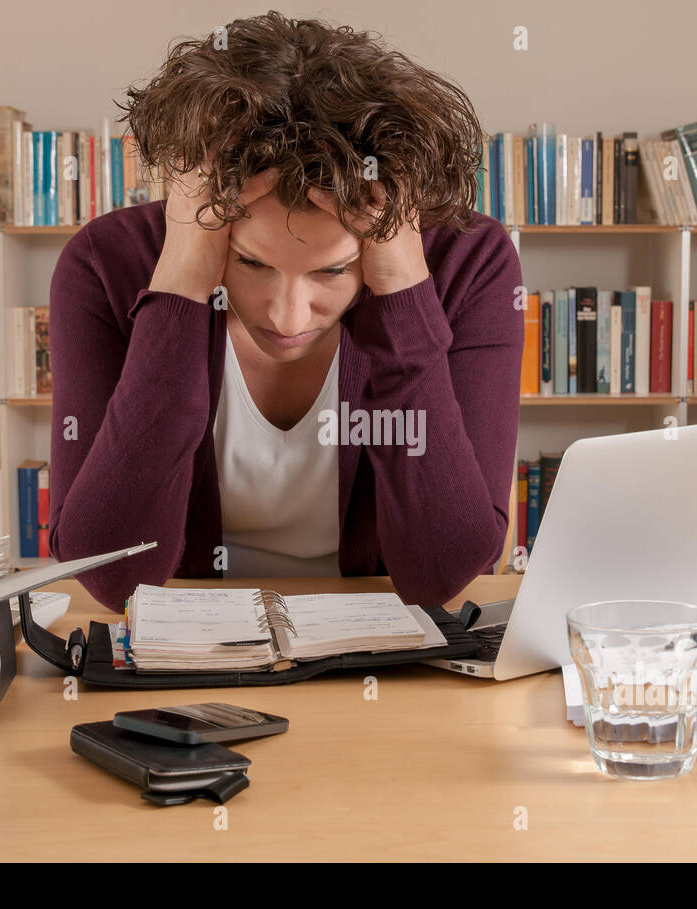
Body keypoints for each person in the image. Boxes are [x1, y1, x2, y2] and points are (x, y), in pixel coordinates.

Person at [48, 11, 522, 612]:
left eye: (331, 270)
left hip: (384, 669)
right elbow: (113, 575)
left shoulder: (466, 261)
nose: (288, 314)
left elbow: (446, 569)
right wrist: (181, 283)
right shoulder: (104, 263)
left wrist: (402, 286)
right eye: (250, 263)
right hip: (191, 663)